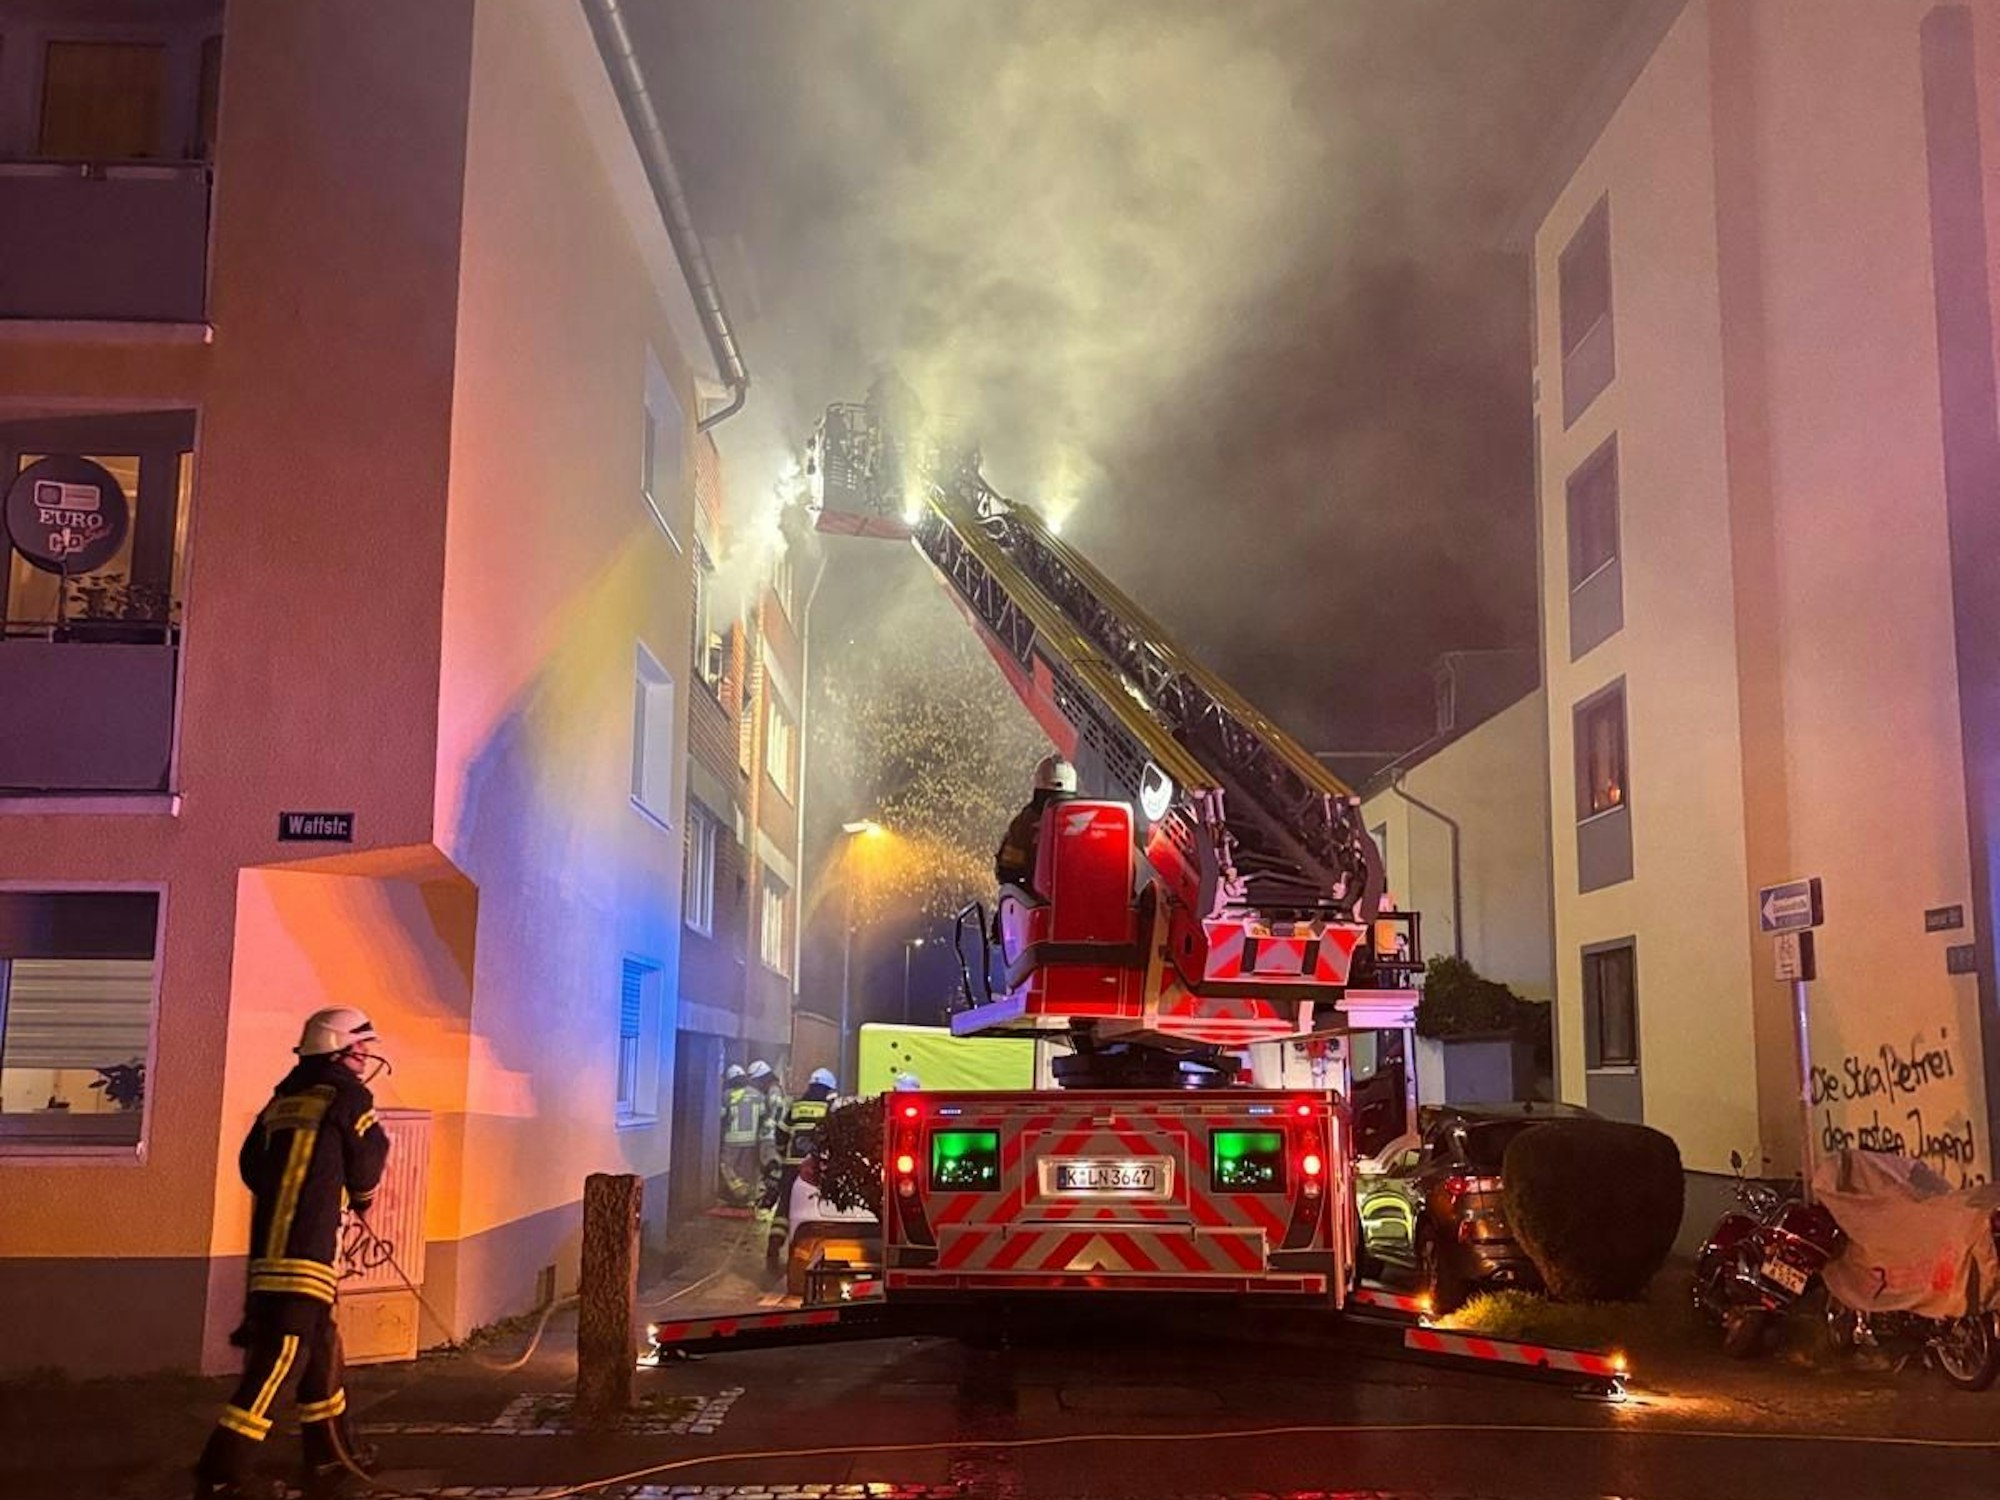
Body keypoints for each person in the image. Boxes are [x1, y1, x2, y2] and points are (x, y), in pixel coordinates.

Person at [193, 1007, 391, 1500]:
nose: (365, 1057)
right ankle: (221, 1473)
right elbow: (368, 1161)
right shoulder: (347, 1097)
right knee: (278, 1360)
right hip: (308, 1255)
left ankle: (328, 1455)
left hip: (271, 1254)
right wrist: (353, 1200)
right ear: (338, 1050)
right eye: (359, 1048)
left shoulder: (283, 1099)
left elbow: (251, 1165)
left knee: (321, 1354)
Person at [766, 1066, 838, 1268]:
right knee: (812, 1209)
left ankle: (773, 1246)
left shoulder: (796, 1106)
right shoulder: (828, 1108)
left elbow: (781, 1133)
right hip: (815, 1168)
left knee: (785, 1206)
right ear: (827, 1088)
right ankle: (805, 1251)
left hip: (791, 1166)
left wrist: (782, 1154)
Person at [994, 753, 1078, 893]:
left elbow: (1006, 871)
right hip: (1079, 902)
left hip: (1037, 905)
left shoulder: (1024, 823)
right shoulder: (1088, 822)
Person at [717, 1063, 760, 1208]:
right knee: (746, 1169)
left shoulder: (728, 1094)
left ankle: (739, 1193)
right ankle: (748, 1198)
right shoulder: (757, 1093)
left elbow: (721, 1114)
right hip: (751, 1139)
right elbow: (763, 1114)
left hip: (732, 1138)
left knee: (726, 1166)